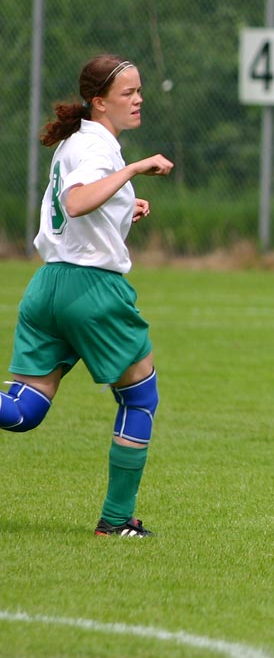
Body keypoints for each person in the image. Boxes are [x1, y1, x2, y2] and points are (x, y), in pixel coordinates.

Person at [1, 55, 174, 537]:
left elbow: (79, 205)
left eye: (139, 91)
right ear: (99, 103)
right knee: (139, 398)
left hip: (48, 286)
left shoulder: (79, 143)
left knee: (23, 410)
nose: (138, 100)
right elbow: (77, 202)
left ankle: (118, 520)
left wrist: (124, 207)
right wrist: (137, 168)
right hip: (92, 291)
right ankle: (117, 521)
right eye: (127, 94)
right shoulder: (99, 147)